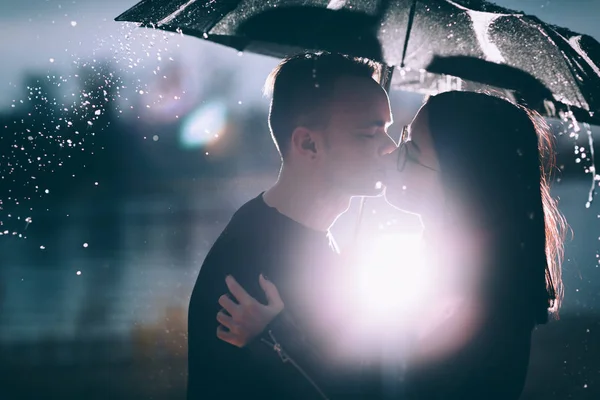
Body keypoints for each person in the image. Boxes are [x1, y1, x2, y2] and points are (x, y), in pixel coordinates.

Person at [217, 91, 567, 400]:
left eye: (410, 150)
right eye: (403, 138)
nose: (390, 153)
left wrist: (276, 337)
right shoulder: (459, 268)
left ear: (460, 182)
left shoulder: (474, 303)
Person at [186, 52, 396, 400]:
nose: (390, 148)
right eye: (369, 134)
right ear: (308, 144)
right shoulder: (252, 266)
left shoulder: (306, 238)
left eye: (387, 130)